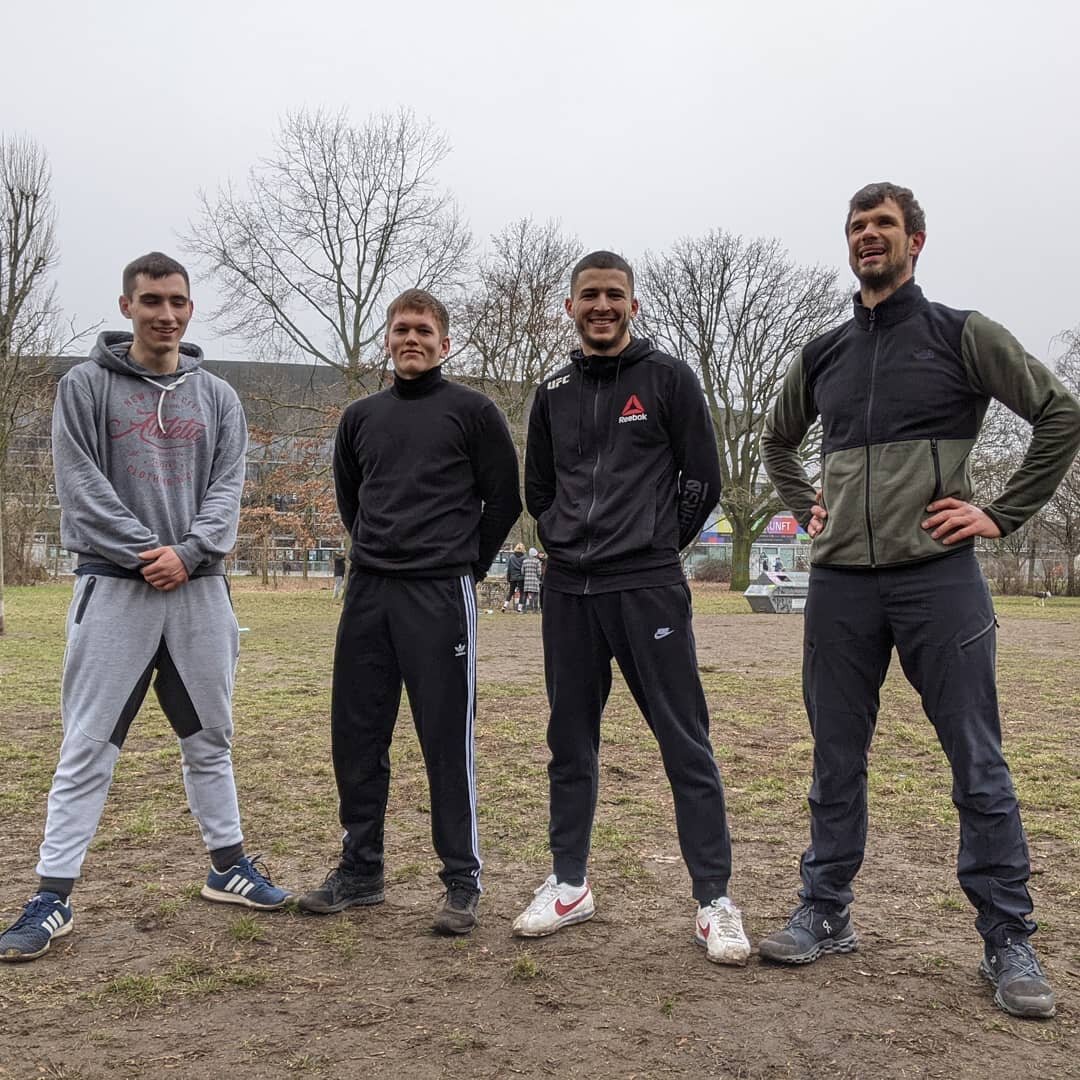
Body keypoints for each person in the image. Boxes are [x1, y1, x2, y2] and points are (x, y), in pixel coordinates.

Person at [760, 183, 1080, 1019]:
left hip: (938, 578)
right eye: (858, 227)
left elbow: (1060, 414)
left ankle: (1007, 936)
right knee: (835, 757)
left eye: (884, 226)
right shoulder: (823, 352)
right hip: (838, 586)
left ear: (917, 242)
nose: (869, 237)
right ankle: (824, 910)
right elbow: (775, 439)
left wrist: (999, 513)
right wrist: (804, 500)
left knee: (978, 762)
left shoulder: (961, 335)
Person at [0, 252, 292, 963]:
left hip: (198, 593)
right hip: (116, 590)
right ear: (127, 305)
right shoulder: (84, 387)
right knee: (88, 746)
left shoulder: (219, 397)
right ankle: (52, 896)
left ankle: (227, 866)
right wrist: (146, 552)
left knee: (210, 740)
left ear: (191, 309)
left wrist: (189, 554)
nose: (166, 314)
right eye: (152, 300)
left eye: (178, 301)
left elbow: (228, 489)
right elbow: (79, 486)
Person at [516, 250, 750, 965]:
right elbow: (539, 491)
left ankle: (713, 900)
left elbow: (702, 479)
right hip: (568, 591)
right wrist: (569, 542)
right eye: (589, 295)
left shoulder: (669, 378)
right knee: (570, 740)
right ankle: (569, 884)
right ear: (570, 307)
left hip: (646, 587)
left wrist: (652, 544)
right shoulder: (551, 388)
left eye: (615, 295)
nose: (602, 306)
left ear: (634, 304)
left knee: (685, 739)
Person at [298, 289, 520, 934]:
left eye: (424, 330)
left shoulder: (474, 413)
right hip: (368, 594)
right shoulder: (360, 417)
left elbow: (503, 501)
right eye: (401, 329)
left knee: (445, 739)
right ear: (387, 341)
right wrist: (379, 553)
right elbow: (351, 501)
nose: (411, 339)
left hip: (439, 594)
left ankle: (461, 880)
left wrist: (462, 566)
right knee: (357, 736)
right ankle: (360, 871)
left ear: (445, 343)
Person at [504, 543, 526, 612]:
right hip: (521, 578)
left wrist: (508, 577)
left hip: (513, 577)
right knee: (522, 593)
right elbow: (524, 568)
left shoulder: (511, 557)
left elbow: (509, 569)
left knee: (511, 592)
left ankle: (505, 606)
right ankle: (519, 608)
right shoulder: (524, 558)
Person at [522, 547, 542, 612]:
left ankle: (524, 609)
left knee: (525, 594)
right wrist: (538, 577)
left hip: (527, 580)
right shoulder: (537, 561)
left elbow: (522, 572)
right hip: (534, 580)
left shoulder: (525, 561)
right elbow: (539, 572)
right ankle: (535, 609)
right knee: (536, 594)